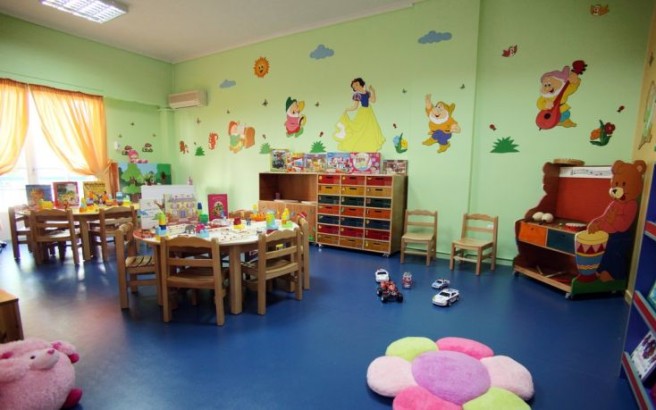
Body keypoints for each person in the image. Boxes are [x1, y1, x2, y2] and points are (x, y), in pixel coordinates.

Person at [333, 77, 385, 152]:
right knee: (358, 129)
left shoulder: (367, 93)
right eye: (354, 87)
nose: (356, 87)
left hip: (369, 112)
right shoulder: (357, 95)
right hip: (362, 112)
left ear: (361, 84)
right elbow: (355, 106)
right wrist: (347, 109)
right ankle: (355, 145)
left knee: (369, 129)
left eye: (356, 85)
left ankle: (367, 146)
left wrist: (373, 91)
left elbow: (373, 100)